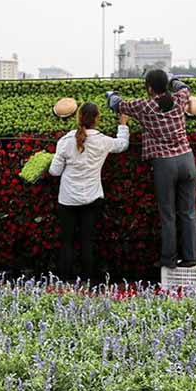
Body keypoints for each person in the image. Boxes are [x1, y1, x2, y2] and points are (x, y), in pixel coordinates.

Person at [107, 69, 196, 269]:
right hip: (186, 159)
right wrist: (172, 79)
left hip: (164, 164)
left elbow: (116, 104)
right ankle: (191, 257)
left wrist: (110, 94)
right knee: (188, 211)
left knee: (168, 214)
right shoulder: (179, 99)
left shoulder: (144, 105)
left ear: (149, 87)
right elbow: (184, 87)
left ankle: (169, 259)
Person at [49, 103, 130, 283]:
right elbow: (122, 145)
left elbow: (54, 171)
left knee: (67, 242)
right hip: (92, 199)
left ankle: (65, 281)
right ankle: (88, 282)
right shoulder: (103, 141)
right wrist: (123, 124)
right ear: (97, 119)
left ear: (78, 117)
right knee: (87, 241)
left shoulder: (65, 141)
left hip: (67, 200)